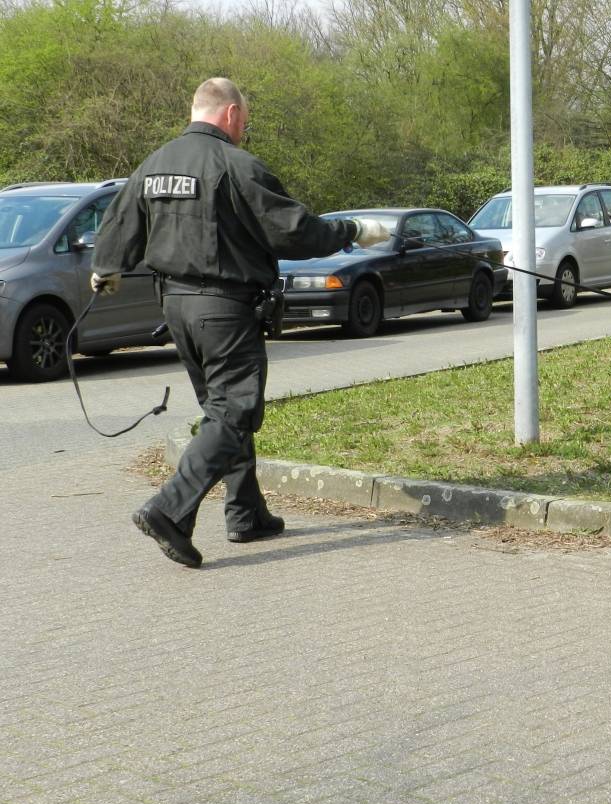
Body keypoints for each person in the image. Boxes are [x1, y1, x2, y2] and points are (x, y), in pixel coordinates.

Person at [91, 77, 389, 568]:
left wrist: (107, 268)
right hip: (223, 307)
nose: (244, 130)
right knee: (236, 411)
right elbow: (293, 231)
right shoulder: (234, 164)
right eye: (244, 122)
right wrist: (352, 231)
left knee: (220, 409)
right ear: (230, 114)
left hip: (175, 306)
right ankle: (168, 509)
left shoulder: (155, 164)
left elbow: (119, 222)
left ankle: (246, 514)